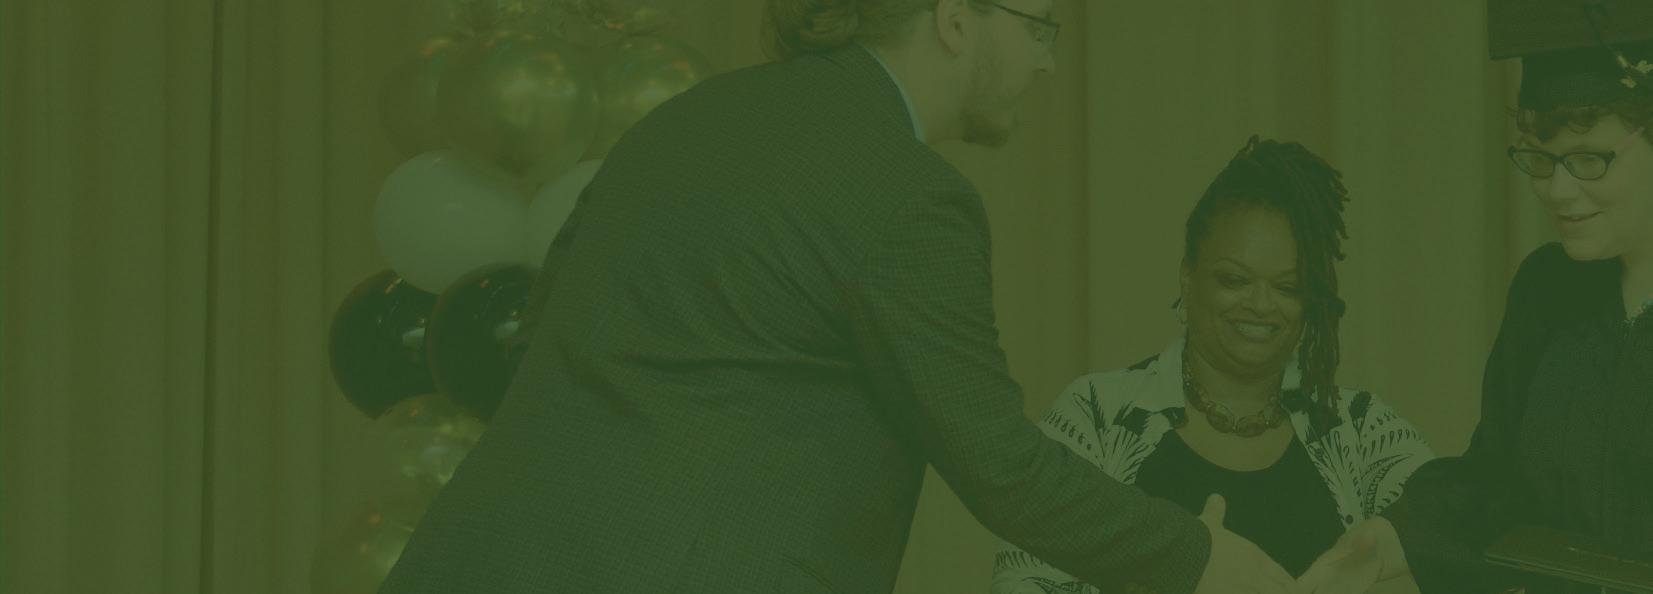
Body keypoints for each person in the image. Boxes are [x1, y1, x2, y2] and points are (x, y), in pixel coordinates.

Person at [378, 2, 1304, 593]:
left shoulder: (687, 116)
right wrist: (1211, 561)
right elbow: (1002, 470)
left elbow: (538, 338)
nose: (1046, 63)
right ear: (954, 19)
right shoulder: (910, 194)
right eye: (1037, 27)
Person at [1298, 3, 1653, 593]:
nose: (1558, 190)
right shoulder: (1548, 289)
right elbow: (1495, 483)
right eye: (1540, 157)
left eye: (1589, 158)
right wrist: (1381, 545)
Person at [991, 137, 1436, 593]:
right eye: (1235, 280)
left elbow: (1460, 531)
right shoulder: (1097, 416)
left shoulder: (1360, 430)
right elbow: (1023, 579)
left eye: (1288, 287)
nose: (1261, 304)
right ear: (1188, 277)